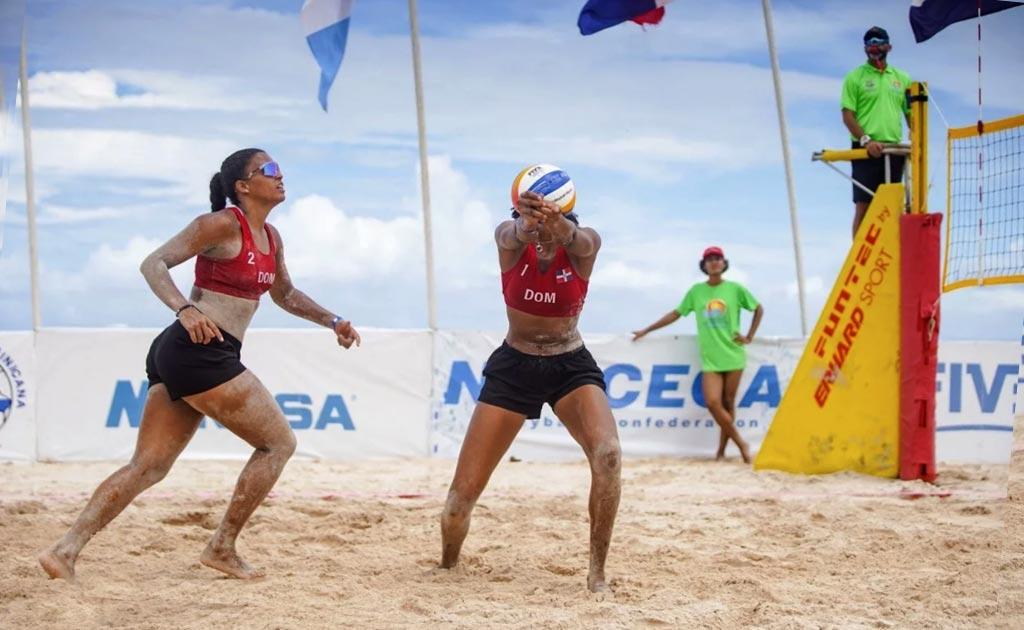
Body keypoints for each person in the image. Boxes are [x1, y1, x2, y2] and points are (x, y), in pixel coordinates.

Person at [39, 148, 361, 581]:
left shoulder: (273, 238)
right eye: (268, 170)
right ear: (243, 186)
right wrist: (184, 310)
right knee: (278, 445)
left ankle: (65, 550)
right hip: (199, 350)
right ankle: (222, 546)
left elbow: (284, 295)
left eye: (279, 169)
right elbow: (152, 263)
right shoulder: (221, 224)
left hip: (192, 354)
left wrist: (333, 320)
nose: (280, 175)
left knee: (148, 467)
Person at [439, 190, 621, 593]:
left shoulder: (581, 246)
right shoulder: (511, 239)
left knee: (608, 455)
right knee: (457, 504)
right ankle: (448, 563)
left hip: (569, 363)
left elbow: (584, 240)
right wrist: (527, 223)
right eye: (529, 217)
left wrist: (560, 225)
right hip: (515, 365)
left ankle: (597, 573)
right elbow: (509, 235)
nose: (539, 227)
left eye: (550, 218)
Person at [632, 246, 762, 463]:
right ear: (704, 265)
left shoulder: (735, 289)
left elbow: (758, 308)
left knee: (728, 403)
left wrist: (749, 336)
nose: (714, 262)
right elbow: (676, 314)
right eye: (709, 259)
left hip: (733, 353)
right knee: (713, 402)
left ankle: (721, 453)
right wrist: (647, 329)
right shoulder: (696, 292)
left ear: (723, 263)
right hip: (711, 358)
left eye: (717, 259)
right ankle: (741, 443)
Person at [841, 26, 912, 238]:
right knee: (863, 206)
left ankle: (890, 257)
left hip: (893, 149)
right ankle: (859, 260)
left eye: (878, 42)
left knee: (891, 207)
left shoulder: (902, 78)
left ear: (888, 46)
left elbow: (910, 113)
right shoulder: (855, 78)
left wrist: (916, 134)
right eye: (869, 43)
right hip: (865, 150)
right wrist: (866, 140)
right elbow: (847, 115)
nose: (874, 47)